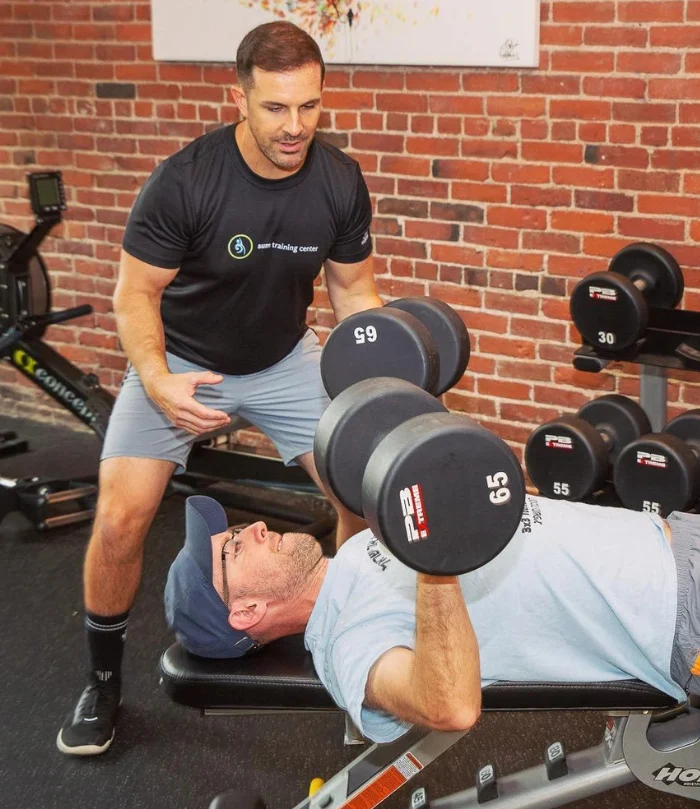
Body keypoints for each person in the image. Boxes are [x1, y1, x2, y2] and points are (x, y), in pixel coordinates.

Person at [57, 21, 382, 756]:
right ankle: (102, 681)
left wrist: (381, 376)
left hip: (285, 360)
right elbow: (134, 294)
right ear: (239, 98)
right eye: (276, 108)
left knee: (360, 494)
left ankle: (350, 648)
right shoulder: (186, 181)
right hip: (184, 361)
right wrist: (156, 378)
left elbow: (354, 292)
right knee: (121, 517)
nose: (295, 126)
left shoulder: (338, 180)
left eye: (309, 106)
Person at [165, 493, 700, 744]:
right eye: (234, 546)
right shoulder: (347, 643)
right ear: (247, 612)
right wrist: (434, 562)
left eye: (236, 529)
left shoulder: (350, 555)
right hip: (675, 611)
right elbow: (450, 706)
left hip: (672, 531)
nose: (255, 527)